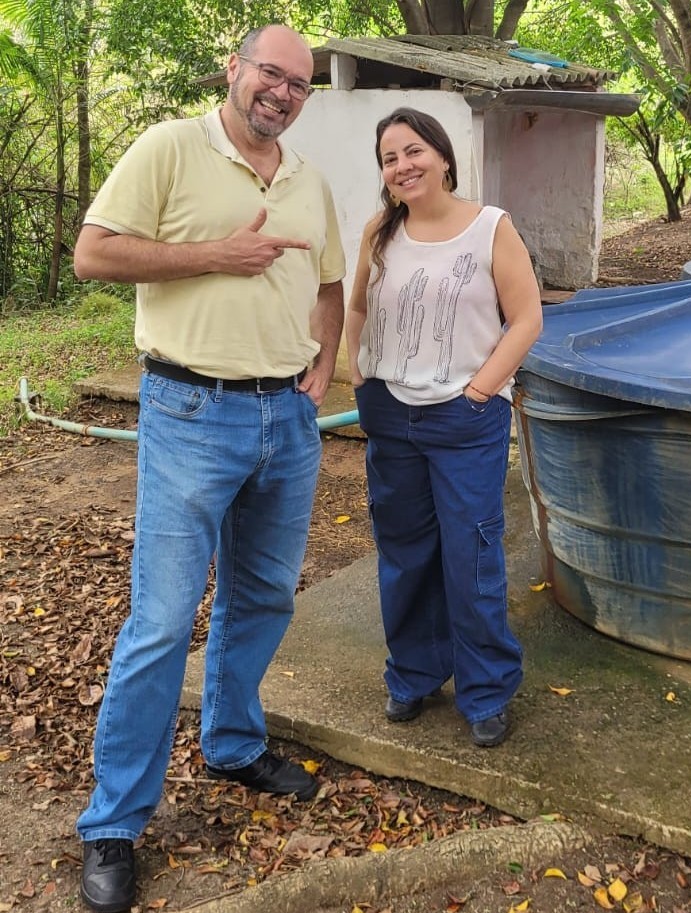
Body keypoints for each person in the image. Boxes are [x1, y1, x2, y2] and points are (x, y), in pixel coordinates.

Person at [71, 24, 345, 913]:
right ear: (235, 70)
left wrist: (323, 365)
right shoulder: (168, 149)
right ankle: (113, 824)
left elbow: (332, 284)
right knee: (160, 619)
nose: (283, 92)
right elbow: (94, 252)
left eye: (300, 84)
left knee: (263, 595)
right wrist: (215, 256)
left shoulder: (309, 179)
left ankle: (232, 743)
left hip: (287, 418)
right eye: (272, 73)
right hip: (190, 410)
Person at [345, 108, 543, 751]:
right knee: (404, 554)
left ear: (443, 156)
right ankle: (414, 674)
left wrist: (483, 389)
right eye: (389, 158)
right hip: (389, 414)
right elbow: (355, 306)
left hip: (464, 416)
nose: (402, 166)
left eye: (413, 151)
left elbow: (527, 318)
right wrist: (358, 375)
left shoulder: (491, 228)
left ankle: (485, 690)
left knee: (473, 554)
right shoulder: (380, 230)